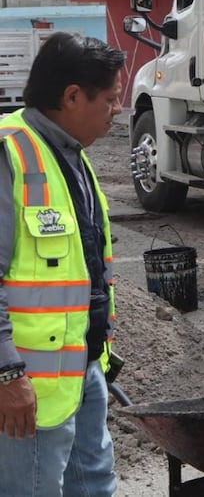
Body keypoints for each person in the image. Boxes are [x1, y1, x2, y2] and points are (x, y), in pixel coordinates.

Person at [0, 32, 125, 495]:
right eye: (111, 100)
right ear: (73, 96)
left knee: (93, 485)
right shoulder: (12, 154)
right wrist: (7, 375)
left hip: (82, 368)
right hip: (27, 384)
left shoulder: (71, 153)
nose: (118, 110)